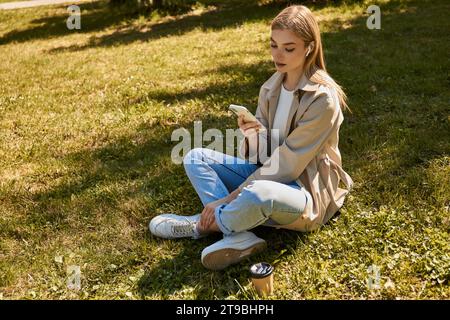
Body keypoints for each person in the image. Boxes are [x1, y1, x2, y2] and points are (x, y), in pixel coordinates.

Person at [149, 5, 354, 271]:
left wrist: (229, 197)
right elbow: (260, 158)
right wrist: (254, 136)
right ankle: (236, 234)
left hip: (304, 192)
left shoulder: (322, 99)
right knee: (195, 156)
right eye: (273, 45)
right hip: (269, 174)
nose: (278, 55)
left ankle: (199, 226)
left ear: (309, 48)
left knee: (258, 194)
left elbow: (288, 165)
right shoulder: (270, 87)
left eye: (289, 48)